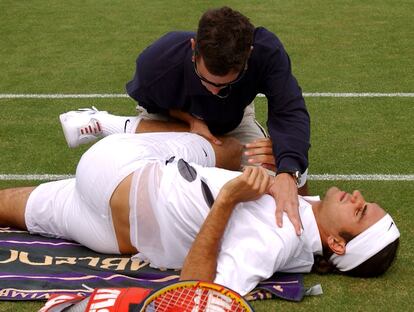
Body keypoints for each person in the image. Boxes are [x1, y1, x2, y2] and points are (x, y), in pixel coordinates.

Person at [0, 133, 399, 296]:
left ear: (336, 243)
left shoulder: (274, 242)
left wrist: (228, 198)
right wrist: (288, 178)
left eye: (360, 211)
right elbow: (304, 203)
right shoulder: (305, 225)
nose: (358, 196)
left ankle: (109, 122)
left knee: (219, 144)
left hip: (116, 170)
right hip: (113, 232)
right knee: (7, 205)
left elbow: (192, 291)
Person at [59, 6, 310, 236]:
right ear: (193, 47)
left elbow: (289, 111)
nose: (214, 91)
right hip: (172, 114)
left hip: (234, 119)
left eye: (226, 84)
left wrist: (289, 171)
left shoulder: (267, 52)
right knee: (151, 199)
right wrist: (191, 122)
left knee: (279, 176)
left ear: (249, 55)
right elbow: (152, 105)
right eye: (207, 81)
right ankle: (106, 123)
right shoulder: (157, 64)